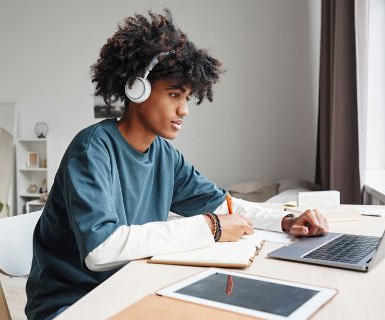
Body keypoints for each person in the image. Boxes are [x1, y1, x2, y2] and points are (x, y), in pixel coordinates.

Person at [25, 9, 329, 320]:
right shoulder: (92, 150)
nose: (184, 110)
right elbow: (101, 250)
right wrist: (210, 227)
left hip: (127, 289)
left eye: (187, 97)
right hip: (71, 305)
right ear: (136, 89)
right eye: (174, 95)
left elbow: (224, 206)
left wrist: (286, 221)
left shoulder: (165, 156)